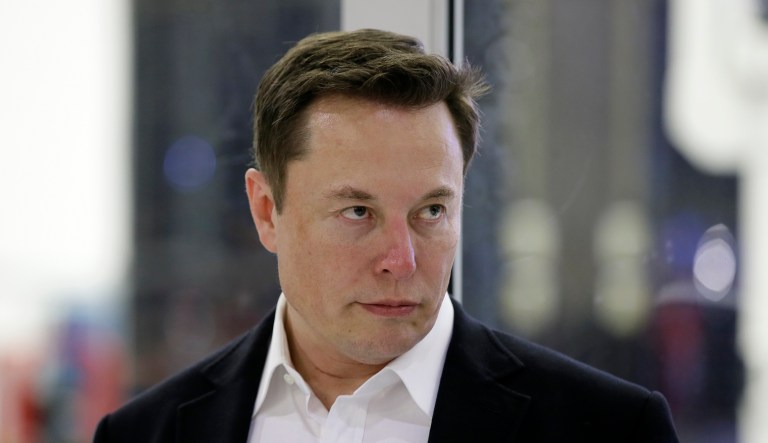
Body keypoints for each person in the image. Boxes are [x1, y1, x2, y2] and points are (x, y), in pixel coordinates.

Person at [93, 29, 678, 442]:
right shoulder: (148, 432)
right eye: (357, 213)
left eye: (430, 212)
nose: (401, 261)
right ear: (268, 211)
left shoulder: (608, 428)